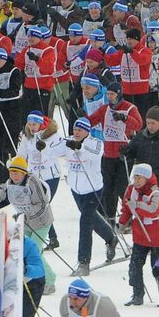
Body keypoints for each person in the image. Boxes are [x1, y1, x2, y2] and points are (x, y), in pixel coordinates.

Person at [0, 156, 57, 294]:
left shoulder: (32, 182)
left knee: (35, 252)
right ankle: (33, 278)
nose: (14, 176)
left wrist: (27, 215)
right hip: (24, 222)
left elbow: (42, 204)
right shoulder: (9, 183)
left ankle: (50, 281)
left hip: (41, 221)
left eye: (16, 173)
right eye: (11, 172)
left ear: (23, 172)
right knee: (23, 251)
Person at [61, 117, 116, 275]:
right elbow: (54, 149)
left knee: (85, 222)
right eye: (75, 129)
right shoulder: (69, 141)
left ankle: (83, 262)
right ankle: (111, 238)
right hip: (76, 189)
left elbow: (96, 154)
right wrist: (42, 146)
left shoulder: (95, 142)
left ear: (87, 131)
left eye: (80, 130)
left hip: (93, 189)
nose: (76, 132)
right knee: (91, 218)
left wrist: (80, 147)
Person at [118, 163, 159, 307]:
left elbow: (155, 210)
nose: (136, 180)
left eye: (139, 177)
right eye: (135, 177)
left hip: (157, 234)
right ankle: (137, 294)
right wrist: (122, 223)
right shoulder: (131, 189)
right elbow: (127, 207)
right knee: (134, 266)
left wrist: (138, 205)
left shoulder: (155, 192)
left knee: (157, 266)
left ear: (146, 178)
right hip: (140, 233)